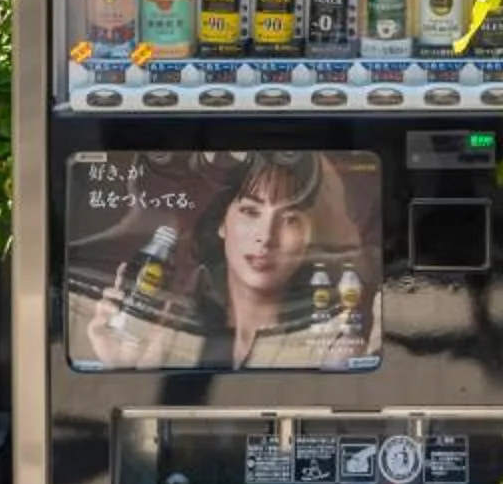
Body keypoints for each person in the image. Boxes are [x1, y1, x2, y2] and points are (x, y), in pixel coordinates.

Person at [73, 151, 375, 371]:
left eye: (290, 219)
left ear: (310, 237)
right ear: (221, 223)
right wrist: (122, 365)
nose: (266, 237)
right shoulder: (169, 334)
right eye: (250, 212)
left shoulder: (334, 338)